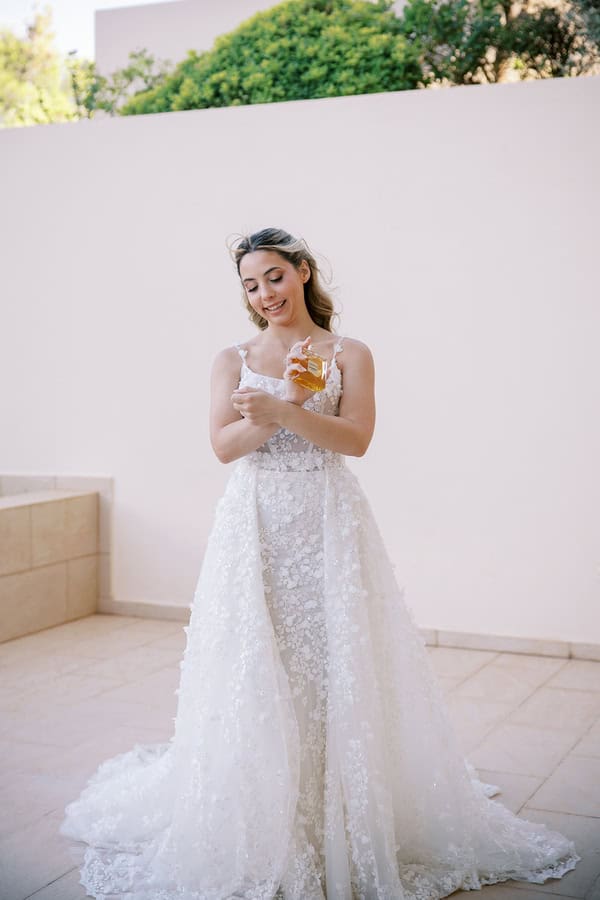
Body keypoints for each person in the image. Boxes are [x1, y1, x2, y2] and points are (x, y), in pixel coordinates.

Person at [60, 227, 580, 899]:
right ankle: (265, 808)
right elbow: (225, 447)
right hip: (252, 524)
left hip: (328, 520)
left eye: (274, 276)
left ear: (302, 272)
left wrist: (287, 407)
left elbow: (356, 439)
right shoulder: (233, 357)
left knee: (333, 657)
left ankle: (340, 801)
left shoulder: (349, 352)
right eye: (250, 284)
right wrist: (286, 407)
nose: (264, 294)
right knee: (260, 657)